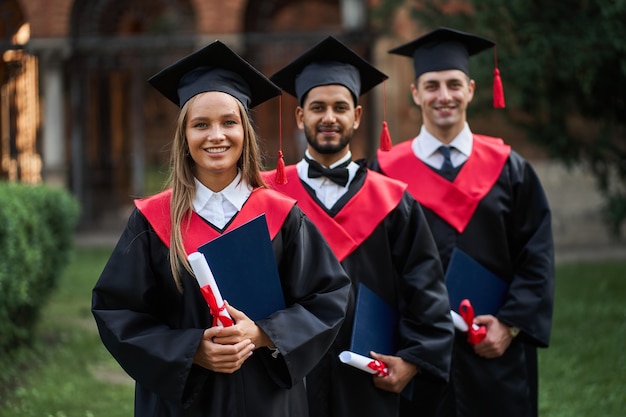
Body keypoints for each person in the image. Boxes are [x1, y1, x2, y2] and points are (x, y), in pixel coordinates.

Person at [91, 40, 351, 417]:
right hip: (182, 403)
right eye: (201, 125)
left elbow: (328, 298)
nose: (216, 136)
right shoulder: (152, 221)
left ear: (245, 131)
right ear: (184, 136)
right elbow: (117, 312)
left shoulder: (282, 215)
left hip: (267, 400)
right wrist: (191, 349)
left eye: (229, 122)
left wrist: (262, 334)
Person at [263, 36, 454, 417]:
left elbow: (425, 286)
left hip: (370, 372)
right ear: (300, 117)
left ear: (357, 116)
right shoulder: (267, 195)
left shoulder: (393, 199)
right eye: (317, 108)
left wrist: (414, 359)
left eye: (340, 107)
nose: (329, 118)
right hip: (288, 374)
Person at [370, 27, 555, 417]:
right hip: (415, 353)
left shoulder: (509, 168)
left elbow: (536, 255)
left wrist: (510, 324)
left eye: (454, 84)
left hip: (493, 348)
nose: (444, 96)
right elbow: (374, 270)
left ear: (470, 89)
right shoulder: (386, 174)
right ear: (415, 93)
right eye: (432, 85)